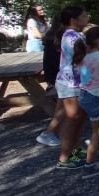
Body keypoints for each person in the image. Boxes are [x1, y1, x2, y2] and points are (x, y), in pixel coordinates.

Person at [75, 26, 99, 179]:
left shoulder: (83, 56)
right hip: (98, 97)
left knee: (94, 129)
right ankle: (90, 166)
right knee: (98, 133)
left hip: (84, 95)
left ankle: (90, 146)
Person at [55, 6, 90, 169]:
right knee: (72, 119)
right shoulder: (72, 37)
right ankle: (64, 158)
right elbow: (82, 58)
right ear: (73, 20)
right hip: (70, 82)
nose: (87, 17)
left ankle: (75, 150)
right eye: (84, 15)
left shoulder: (76, 35)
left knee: (80, 118)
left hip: (79, 82)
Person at [36, 15, 65, 147]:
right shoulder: (56, 40)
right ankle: (48, 133)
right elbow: (56, 63)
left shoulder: (54, 38)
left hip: (58, 78)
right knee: (62, 108)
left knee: (65, 108)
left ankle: (53, 133)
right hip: (60, 79)